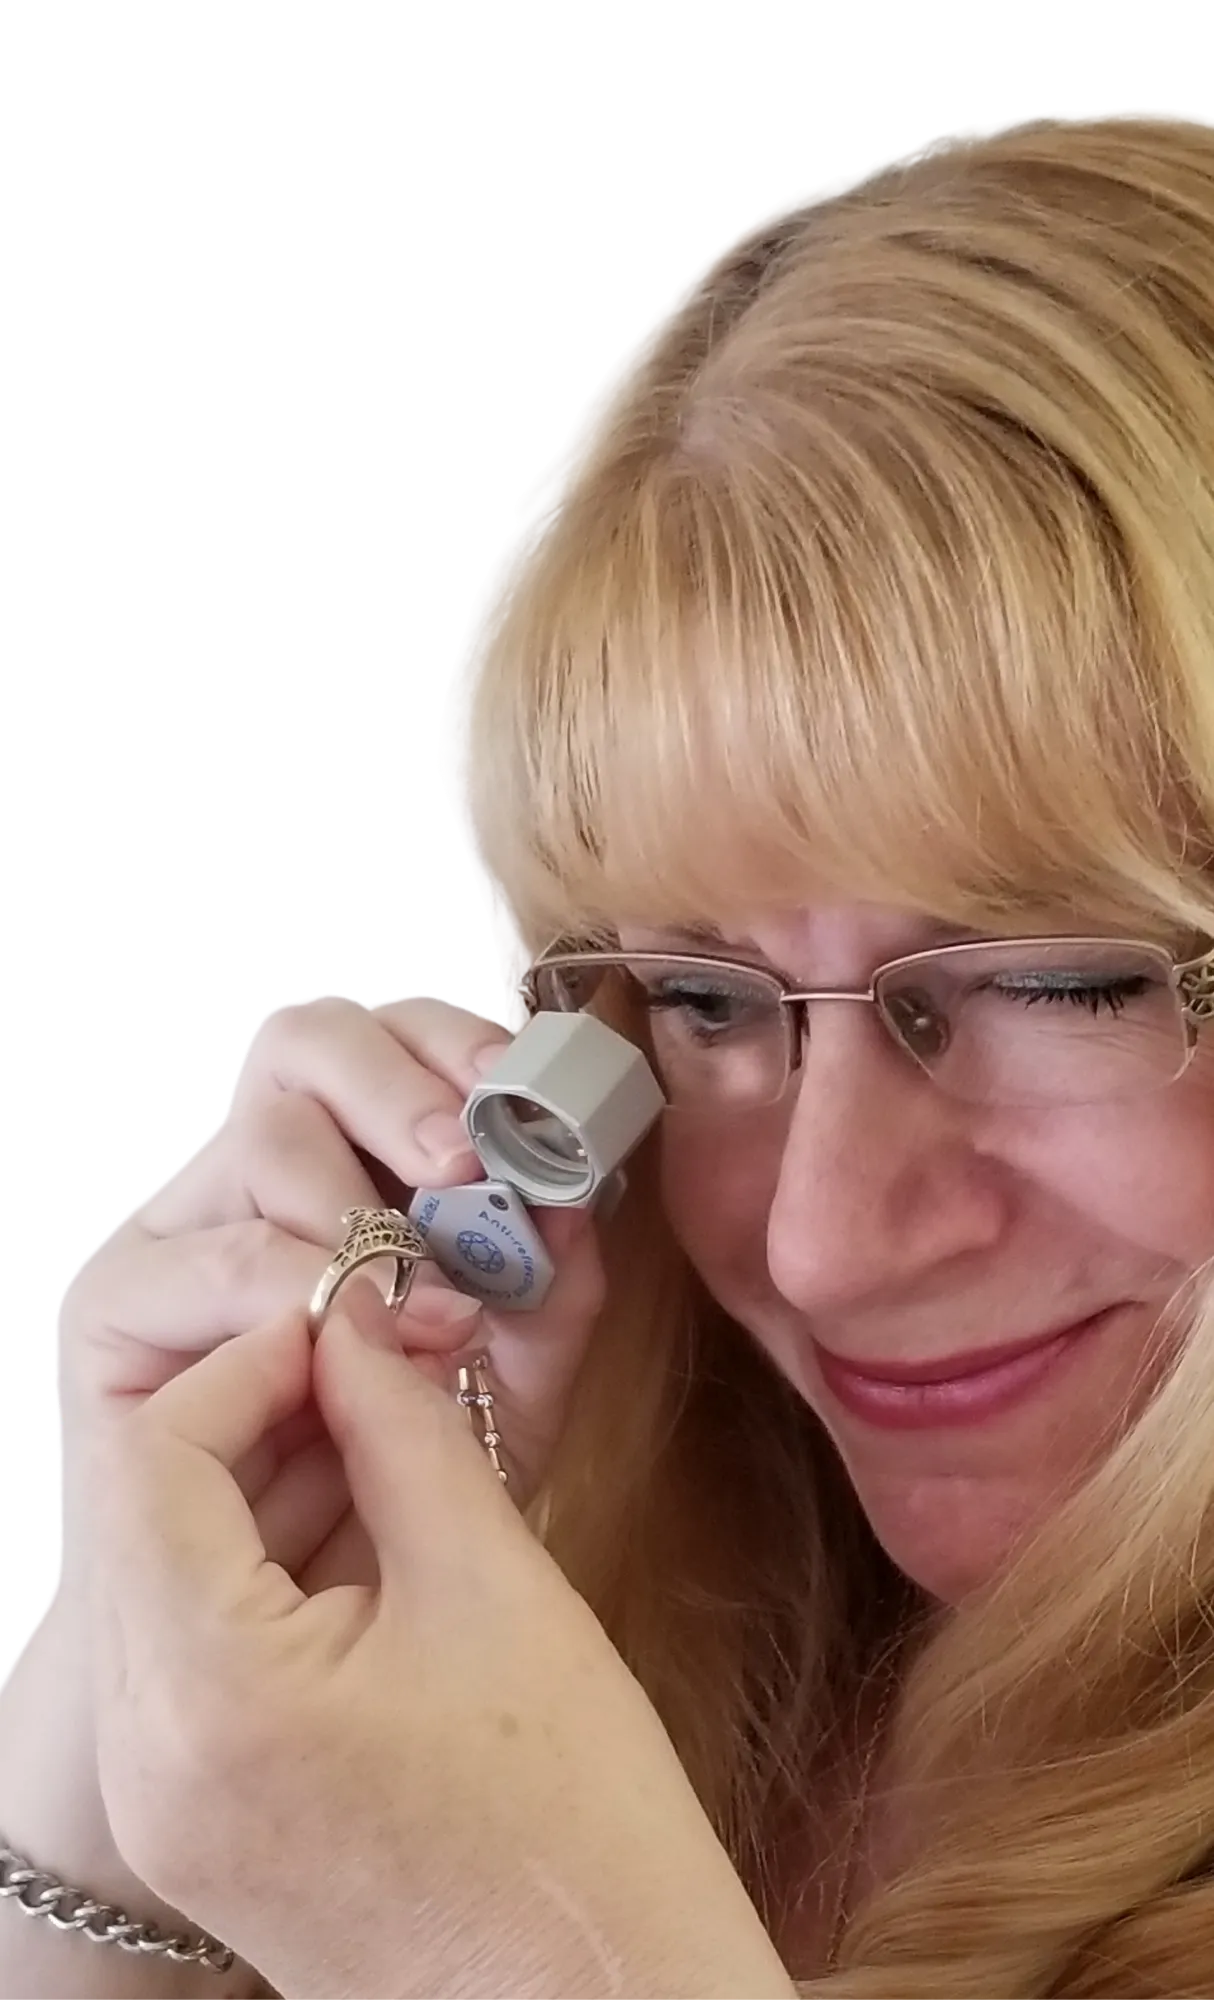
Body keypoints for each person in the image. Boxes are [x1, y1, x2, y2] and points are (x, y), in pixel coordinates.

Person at [5, 107, 1212, 1997]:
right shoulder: (586, 1613)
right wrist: (111, 1800)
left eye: (1052, 986)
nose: (815, 1244)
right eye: (710, 1005)